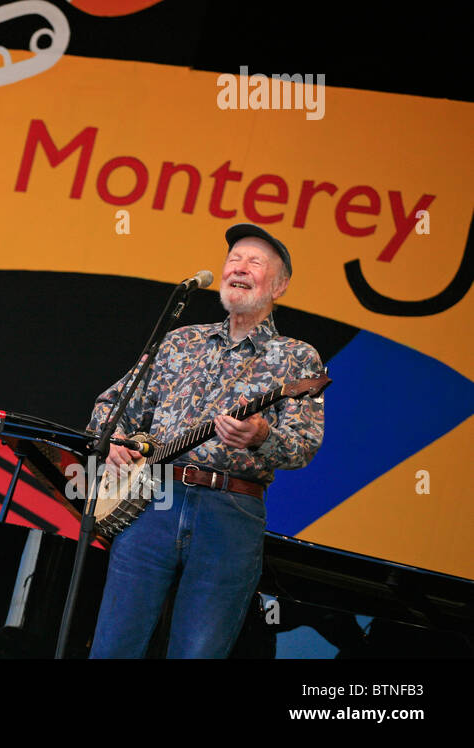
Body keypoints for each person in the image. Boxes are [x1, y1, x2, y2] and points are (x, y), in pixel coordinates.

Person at [87, 224, 325, 658]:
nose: (240, 268)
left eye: (255, 262)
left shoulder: (297, 357)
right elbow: (111, 405)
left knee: (198, 652)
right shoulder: (181, 341)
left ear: (280, 284)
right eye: (234, 259)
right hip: (152, 502)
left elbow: (304, 445)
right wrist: (114, 441)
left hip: (230, 512)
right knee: (112, 646)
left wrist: (261, 435)